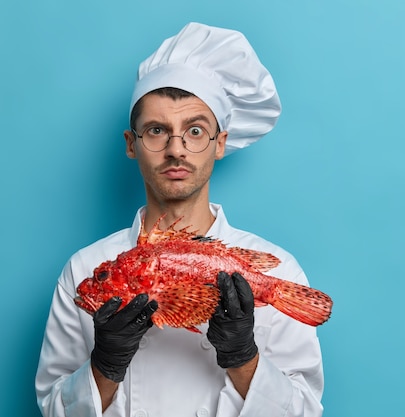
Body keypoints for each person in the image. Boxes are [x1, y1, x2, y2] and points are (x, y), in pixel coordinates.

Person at [35, 22, 325, 417]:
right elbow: (52, 410)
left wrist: (243, 359)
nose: (176, 149)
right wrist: (105, 365)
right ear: (131, 144)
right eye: (156, 130)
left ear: (219, 143)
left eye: (195, 130)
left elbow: (305, 413)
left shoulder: (280, 268)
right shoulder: (85, 269)